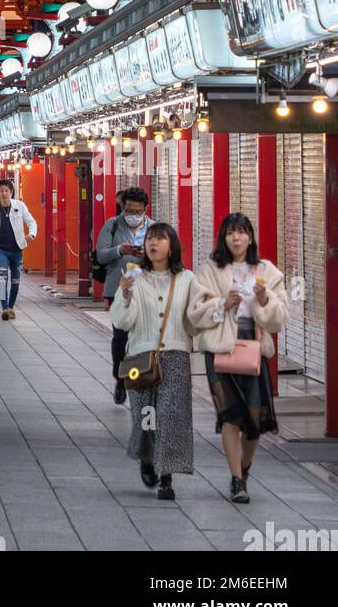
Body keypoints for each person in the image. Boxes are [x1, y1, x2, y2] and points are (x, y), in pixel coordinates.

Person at [187, 213, 289, 504]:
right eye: (231, 233)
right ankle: (235, 479)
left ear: (250, 236)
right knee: (230, 415)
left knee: (255, 419)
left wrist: (265, 299)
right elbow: (195, 312)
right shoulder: (210, 269)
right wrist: (222, 303)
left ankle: (244, 470)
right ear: (223, 237)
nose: (236, 238)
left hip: (252, 348)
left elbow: (280, 318)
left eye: (242, 232)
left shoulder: (266, 270)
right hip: (219, 348)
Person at [110, 221, 199, 500]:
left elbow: (194, 322)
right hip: (139, 356)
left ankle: (167, 477)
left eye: (160, 239)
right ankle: (147, 458)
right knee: (144, 417)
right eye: (150, 238)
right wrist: (124, 295)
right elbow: (122, 321)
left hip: (175, 356)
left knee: (171, 417)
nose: (153, 243)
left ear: (171, 246)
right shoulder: (134, 276)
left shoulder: (187, 279)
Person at [96, 186, 151, 404]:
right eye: (128, 210)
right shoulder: (112, 225)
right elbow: (100, 255)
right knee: (121, 337)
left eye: (137, 211)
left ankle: (136, 378)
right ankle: (120, 377)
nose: (132, 215)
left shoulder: (155, 228)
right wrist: (120, 251)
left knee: (142, 338)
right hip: (120, 288)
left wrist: (148, 254)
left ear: (145, 209)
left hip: (146, 290)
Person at [0, 177, 38, 321]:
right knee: (3, 279)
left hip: (17, 250)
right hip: (1, 250)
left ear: (11, 192)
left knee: (15, 281)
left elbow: (31, 221)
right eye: (1, 191)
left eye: (6, 191)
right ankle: (4, 309)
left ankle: (11, 307)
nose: (4, 193)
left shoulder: (20, 206)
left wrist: (32, 234)